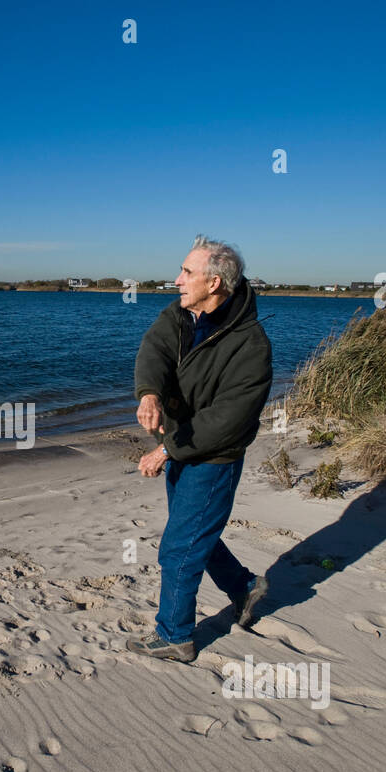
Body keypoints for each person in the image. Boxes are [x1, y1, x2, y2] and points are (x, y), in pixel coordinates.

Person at [126, 235, 273, 661]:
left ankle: (175, 636)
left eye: (187, 272)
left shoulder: (251, 345)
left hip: (213, 458)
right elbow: (154, 349)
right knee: (193, 535)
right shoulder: (181, 314)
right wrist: (149, 394)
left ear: (215, 283)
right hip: (180, 447)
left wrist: (165, 449)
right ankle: (245, 588)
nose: (177, 280)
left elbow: (229, 418)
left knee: (178, 546)